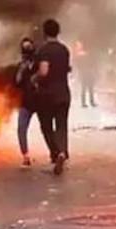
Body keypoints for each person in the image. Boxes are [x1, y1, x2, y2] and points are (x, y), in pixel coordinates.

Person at [34, 19, 72, 175]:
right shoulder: (64, 50)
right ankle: (62, 151)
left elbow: (44, 71)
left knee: (46, 126)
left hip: (47, 95)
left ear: (44, 32)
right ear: (58, 32)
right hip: (64, 93)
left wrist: (34, 78)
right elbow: (67, 68)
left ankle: (55, 153)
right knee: (61, 125)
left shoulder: (44, 50)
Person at [14, 37, 38, 167]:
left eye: (29, 47)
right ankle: (25, 156)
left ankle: (56, 153)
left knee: (47, 128)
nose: (27, 51)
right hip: (26, 102)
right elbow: (17, 82)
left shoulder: (39, 63)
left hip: (40, 101)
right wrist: (22, 69)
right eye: (25, 48)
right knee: (21, 129)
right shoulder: (21, 66)